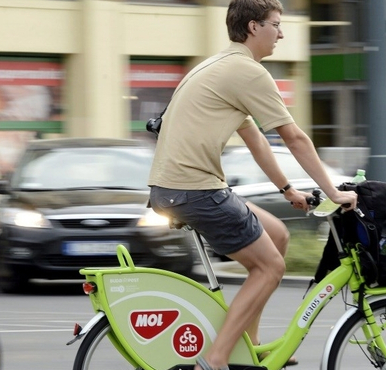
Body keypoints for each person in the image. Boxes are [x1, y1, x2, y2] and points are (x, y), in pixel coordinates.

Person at [147, 1, 357, 369]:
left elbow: (256, 139)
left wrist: (287, 190)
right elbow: (294, 137)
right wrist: (335, 192)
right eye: (276, 24)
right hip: (196, 190)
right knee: (270, 268)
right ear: (252, 27)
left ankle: (250, 345)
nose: (282, 32)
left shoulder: (218, 66)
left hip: (176, 188)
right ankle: (215, 360)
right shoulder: (247, 72)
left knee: (276, 235)